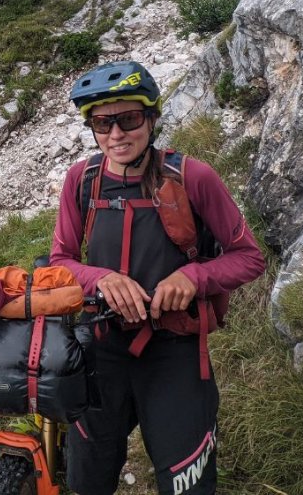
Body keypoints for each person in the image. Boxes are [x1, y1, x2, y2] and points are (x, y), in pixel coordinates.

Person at [50, 60, 266, 495]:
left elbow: (249, 257)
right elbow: (61, 262)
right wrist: (100, 279)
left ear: (150, 118)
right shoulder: (82, 181)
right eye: (101, 123)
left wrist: (194, 276)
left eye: (128, 119)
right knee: (87, 480)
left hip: (174, 352)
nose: (115, 135)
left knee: (187, 484)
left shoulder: (193, 177)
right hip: (101, 350)